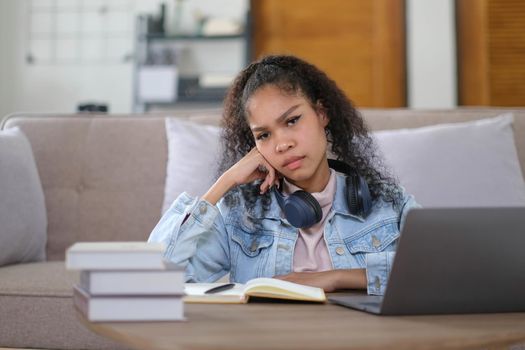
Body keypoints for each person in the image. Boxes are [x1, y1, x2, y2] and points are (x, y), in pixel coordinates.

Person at [148, 55, 419, 295]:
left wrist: (336, 278)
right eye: (264, 135)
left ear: (321, 114)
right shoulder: (238, 212)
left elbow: (445, 271)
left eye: (292, 121)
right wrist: (224, 183)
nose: (282, 144)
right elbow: (155, 281)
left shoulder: (388, 202)